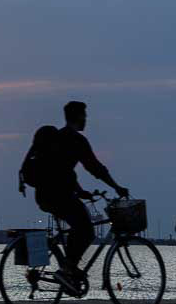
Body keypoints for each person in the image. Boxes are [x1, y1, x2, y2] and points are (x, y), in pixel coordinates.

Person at [19, 101, 129, 282]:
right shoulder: (76, 141)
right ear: (77, 117)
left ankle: (67, 267)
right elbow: (95, 168)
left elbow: (62, 172)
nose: (86, 119)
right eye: (84, 116)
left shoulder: (59, 137)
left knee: (78, 225)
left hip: (46, 195)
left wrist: (80, 191)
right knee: (86, 230)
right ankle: (67, 269)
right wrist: (116, 187)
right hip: (57, 196)